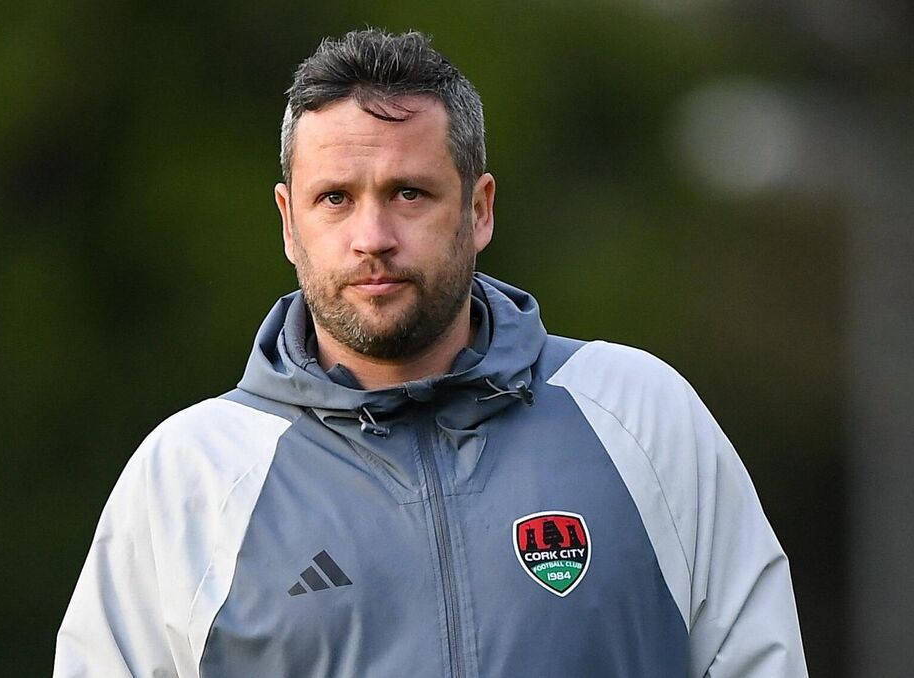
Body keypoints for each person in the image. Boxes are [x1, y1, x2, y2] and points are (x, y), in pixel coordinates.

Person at [55, 28, 807, 678]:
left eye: (409, 193)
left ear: (478, 210)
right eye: (335, 198)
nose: (372, 236)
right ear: (289, 222)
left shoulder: (642, 414)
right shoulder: (191, 476)